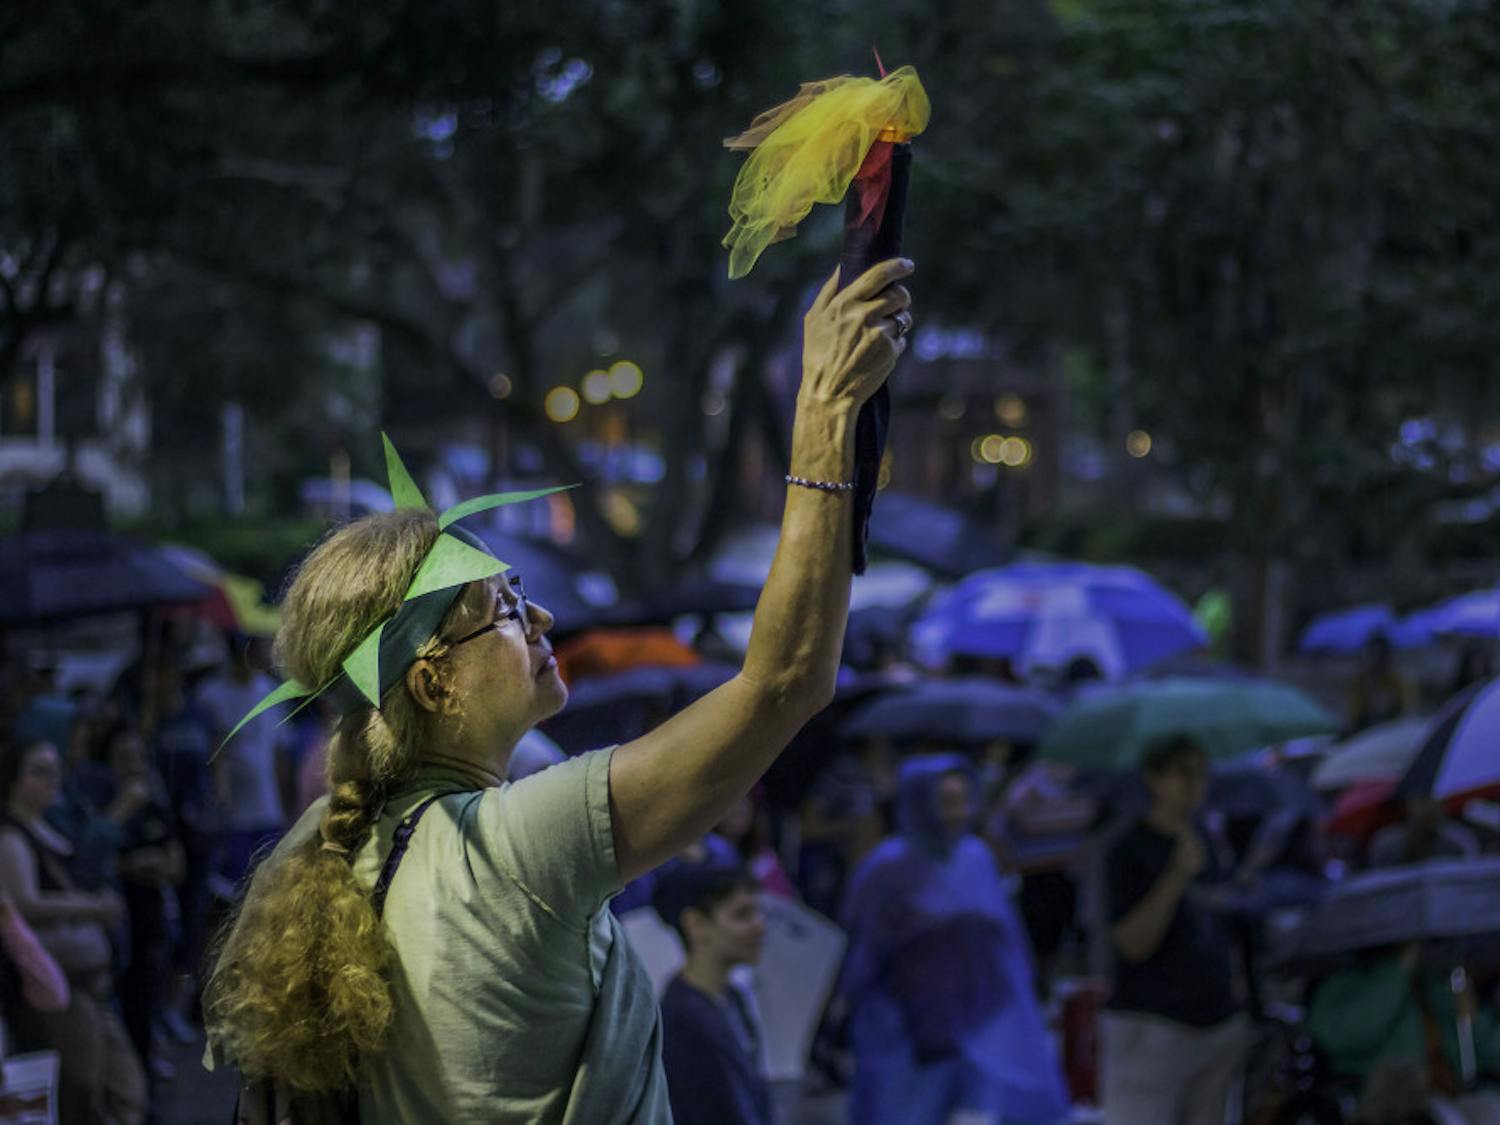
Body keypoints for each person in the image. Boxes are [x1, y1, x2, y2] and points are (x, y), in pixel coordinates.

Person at [203, 257, 914, 1121]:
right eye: (503, 606)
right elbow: (786, 681)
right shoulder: (512, 845)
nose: (540, 614)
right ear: (434, 683)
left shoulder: (317, 844)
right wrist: (825, 413)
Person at [840, 755, 1070, 1125]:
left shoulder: (975, 856)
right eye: (946, 802)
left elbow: (1006, 942)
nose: (958, 812)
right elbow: (863, 952)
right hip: (903, 1032)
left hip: (974, 1026)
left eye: (964, 800)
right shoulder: (888, 867)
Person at [1102, 735, 1248, 1125]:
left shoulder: (1210, 844)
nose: (1193, 785)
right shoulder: (1127, 850)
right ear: (1153, 778)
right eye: (1182, 774)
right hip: (1154, 1024)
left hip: (1215, 1022)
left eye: (1201, 774)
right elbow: (1132, 943)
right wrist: (1176, 876)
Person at [0, 740, 146, 1125]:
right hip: (61, 989)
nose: (52, 779)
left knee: (125, 1089)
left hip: (90, 983)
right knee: (83, 1093)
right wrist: (92, 907)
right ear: (14, 778)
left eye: (54, 769)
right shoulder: (11, 836)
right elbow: (24, 903)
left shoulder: (52, 824)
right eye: (39, 771)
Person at [1305, 944, 1500, 1125]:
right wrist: (1399, 968)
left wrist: (1472, 1018)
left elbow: (1490, 1051)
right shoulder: (1342, 983)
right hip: (1384, 1103)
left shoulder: (1440, 980)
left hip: (1453, 1095)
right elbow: (1340, 1034)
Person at [653, 864, 774, 1125]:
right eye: (742, 915)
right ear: (696, 924)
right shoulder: (683, 1017)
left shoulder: (731, 997)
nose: (760, 926)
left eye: (758, 913)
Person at [196, 633, 288, 885]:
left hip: (268, 812)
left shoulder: (269, 690)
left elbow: (279, 753)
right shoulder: (210, 694)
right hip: (231, 817)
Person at [1368, 795, 1480, 869]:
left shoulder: (1459, 842)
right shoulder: (1387, 845)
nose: (1427, 809)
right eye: (1422, 801)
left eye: (1434, 801)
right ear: (1409, 803)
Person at [1348, 633, 1416, 734]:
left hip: (1391, 731)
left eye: (1379, 657)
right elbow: (1355, 717)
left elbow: (1407, 714)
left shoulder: (1397, 682)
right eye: (1372, 655)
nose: (1375, 661)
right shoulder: (1359, 682)